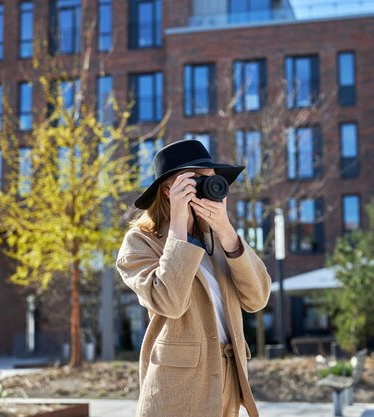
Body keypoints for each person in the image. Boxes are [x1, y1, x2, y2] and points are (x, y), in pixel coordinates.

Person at [115, 140, 271, 417]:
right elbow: (170, 302)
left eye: (210, 181)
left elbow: (257, 299)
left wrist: (227, 232)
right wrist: (178, 227)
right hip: (179, 388)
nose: (205, 188)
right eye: (195, 180)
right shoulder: (140, 242)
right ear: (167, 191)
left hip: (229, 379)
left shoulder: (218, 238)